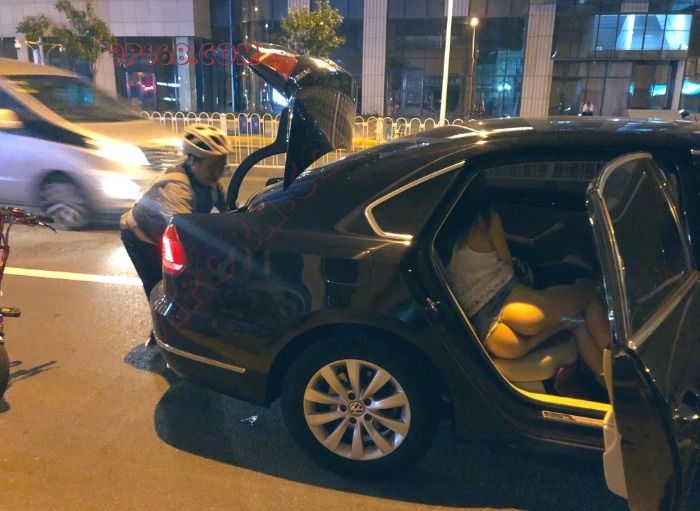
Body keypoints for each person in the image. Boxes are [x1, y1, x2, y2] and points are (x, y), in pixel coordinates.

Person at [446, 174, 610, 387]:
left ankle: (604, 376)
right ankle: (620, 369)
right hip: (514, 307)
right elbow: (506, 260)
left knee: (577, 322)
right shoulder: (487, 220)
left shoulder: (451, 236)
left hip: (494, 335)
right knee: (590, 296)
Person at [120, 123, 233, 346]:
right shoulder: (176, 187)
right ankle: (161, 335)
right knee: (161, 286)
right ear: (192, 160)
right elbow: (187, 234)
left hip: (165, 232)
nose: (219, 170)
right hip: (141, 236)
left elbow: (230, 212)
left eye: (222, 163)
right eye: (213, 164)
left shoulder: (209, 182)